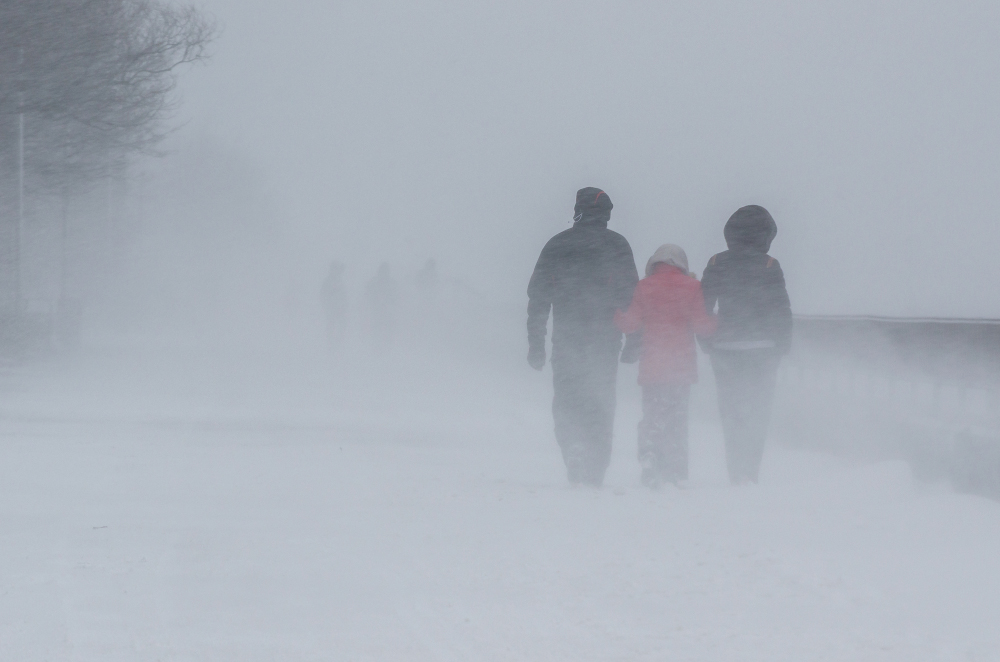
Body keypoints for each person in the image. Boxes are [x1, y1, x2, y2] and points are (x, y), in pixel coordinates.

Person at [527, 188, 639, 487]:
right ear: (606, 214)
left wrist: (536, 344)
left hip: (567, 338)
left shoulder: (558, 244)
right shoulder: (617, 245)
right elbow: (632, 297)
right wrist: (634, 341)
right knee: (600, 401)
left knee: (567, 398)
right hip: (605, 341)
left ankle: (573, 448)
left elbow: (538, 298)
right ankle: (596, 466)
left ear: (577, 210)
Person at [701, 205, 792, 484]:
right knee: (758, 411)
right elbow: (781, 309)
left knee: (731, 411)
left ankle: (735, 470)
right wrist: (783, 344)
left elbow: (703, 306)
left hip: (725, 348)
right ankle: (750, 471)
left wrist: (706, 341)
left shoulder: (716, 262)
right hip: (763, 349)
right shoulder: (770, 265)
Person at [615, 244, 716, 488]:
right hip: (680, 368)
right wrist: (719, 321)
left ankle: (650, 456)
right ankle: (675, 470)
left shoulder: (644, 286)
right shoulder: (693, 286)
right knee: (676, 420)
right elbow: (702, 327)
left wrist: (614, 313)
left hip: (653, 366)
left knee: (652, 416)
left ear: (654, 263)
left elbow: (630, 324)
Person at [365, 262, 399, 349]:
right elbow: (368, 295)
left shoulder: (391, 283)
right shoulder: (375, 282)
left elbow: (396, 297)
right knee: (378, 329)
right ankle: (377, 346)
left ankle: (386, 346)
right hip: (378, 311)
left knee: (387, 329)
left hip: (386, 311)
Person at [320, 260, 348, 348]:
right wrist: (327, 305)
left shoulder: (338, 280)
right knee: (331, 326)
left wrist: (344, 305)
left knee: (340, 326)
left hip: (339, 309)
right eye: (336, 268)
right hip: (332, 309)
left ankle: (338, 343)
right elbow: (323, 295)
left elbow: (343, 296)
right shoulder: (329, 281)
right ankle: (331, 344)